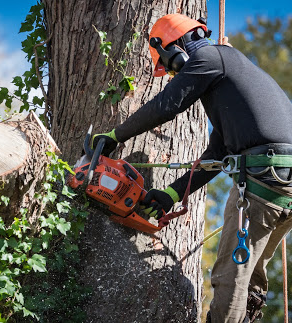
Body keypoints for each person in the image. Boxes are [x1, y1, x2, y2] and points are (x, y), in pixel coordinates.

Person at [92, 13, 292, 323]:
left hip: (266, 179)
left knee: (230, 278)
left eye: (169, 66)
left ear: (176, 49)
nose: (173, 75)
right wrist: (170, 194)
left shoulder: (211, 56)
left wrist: (114, 136)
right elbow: (216, 155)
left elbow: (167, 105)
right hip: (282, 186)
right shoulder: (232, 81)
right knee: (250, 277)